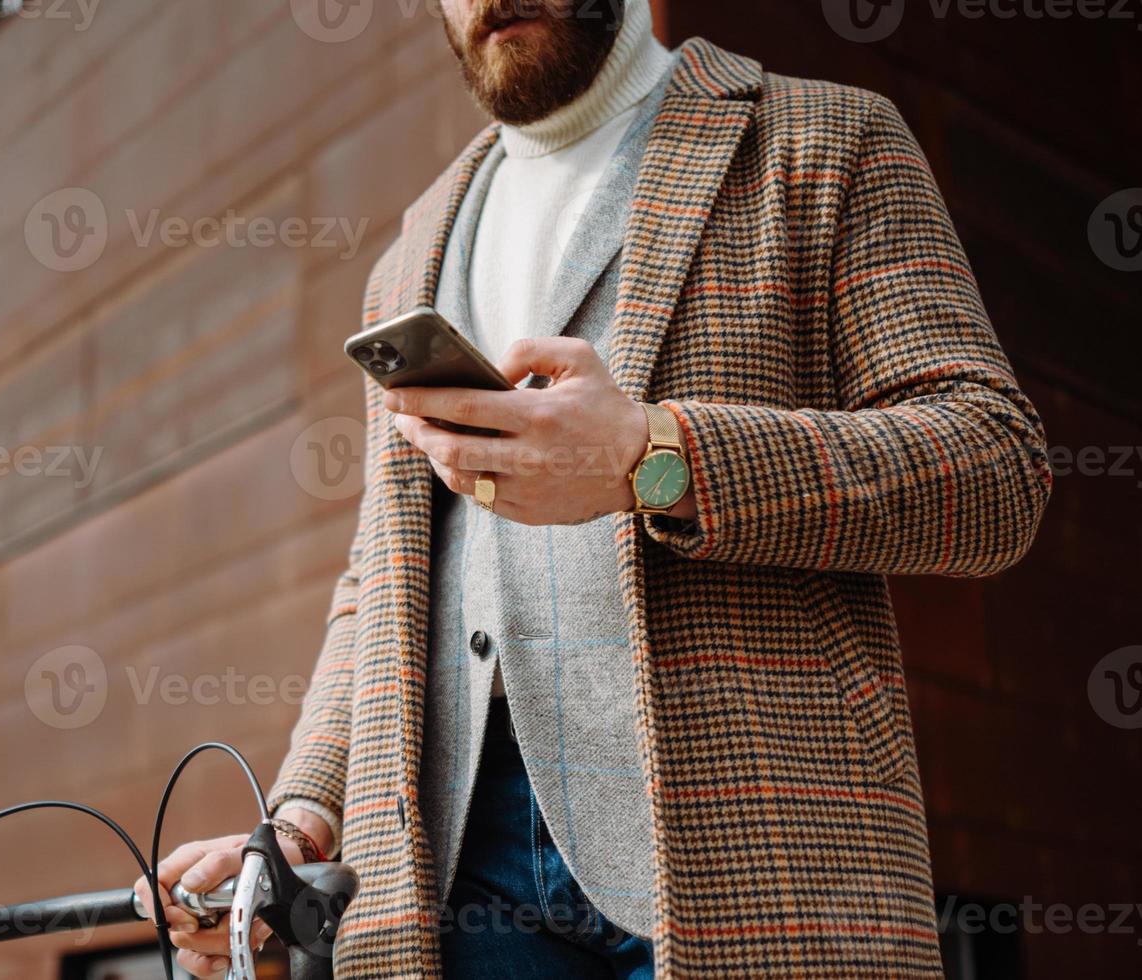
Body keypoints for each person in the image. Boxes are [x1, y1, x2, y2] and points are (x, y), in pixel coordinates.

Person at [135, 1, 1051, 976]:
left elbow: (992, 467)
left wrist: (651, 455)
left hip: (750, 860)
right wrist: (304, 814)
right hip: (456, 883)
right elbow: (382, 576)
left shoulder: (823, 136)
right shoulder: (412, 249)